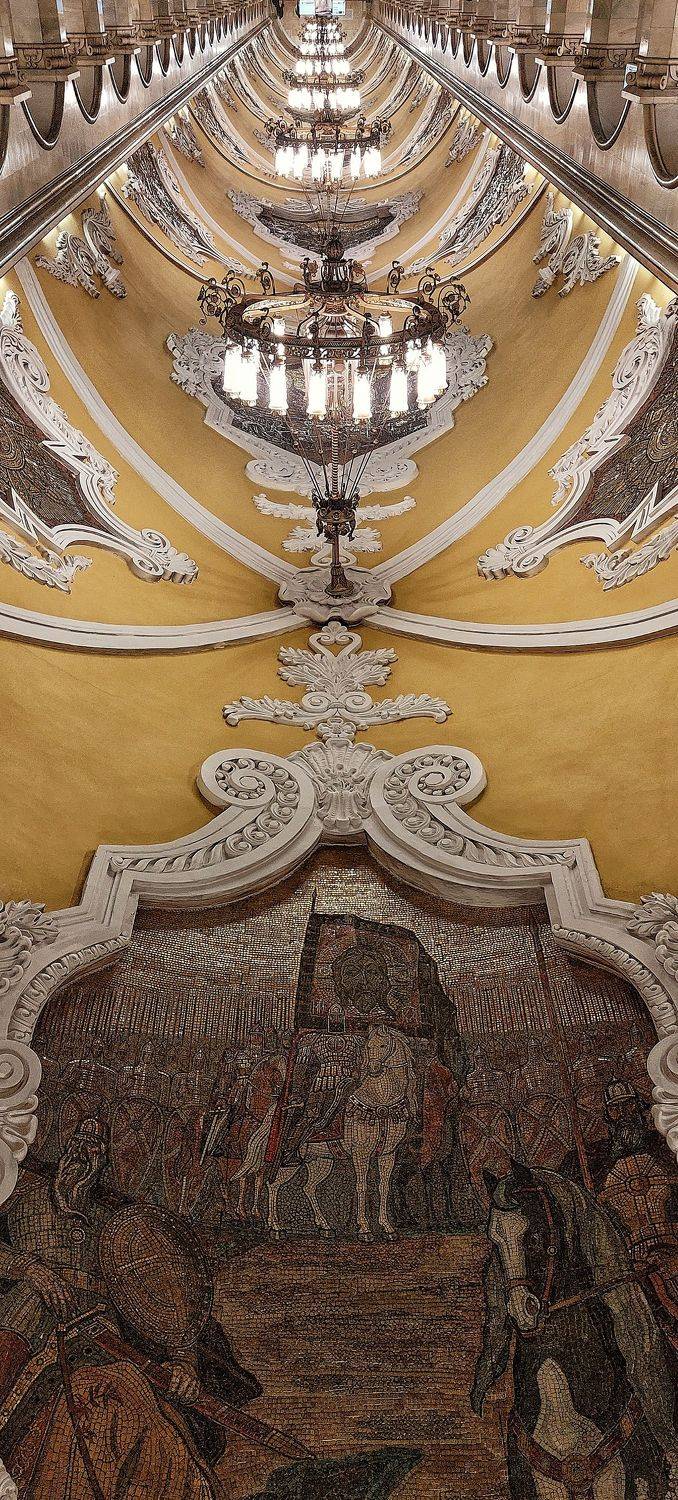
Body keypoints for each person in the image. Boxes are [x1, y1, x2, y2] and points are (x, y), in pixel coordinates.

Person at [0, 1117, 262, 1497]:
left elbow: (168, 1296)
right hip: (26, 1312)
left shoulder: (117, 1225)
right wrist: (28, 1267)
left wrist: (184, 1364)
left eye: (94, 1145)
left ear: (104, 1159)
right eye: (78, 1140)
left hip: (99, 1330)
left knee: (136, 1398)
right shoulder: (23, 1198)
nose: (82, 1151)